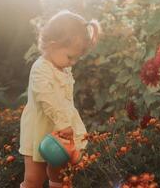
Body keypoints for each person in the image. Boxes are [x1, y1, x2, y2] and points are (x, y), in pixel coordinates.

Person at [18, 10, 100, 188]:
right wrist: (63, 124)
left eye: (77, 58)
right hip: (39, 130)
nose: (73, 62)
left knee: (60, 175)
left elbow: (66, 102)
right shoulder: (41, 69)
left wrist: (69, 127)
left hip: (61, 132)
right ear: (52, 45)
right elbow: (48, 99)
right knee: (34, 177)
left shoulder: (64, 68)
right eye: (71, 57)